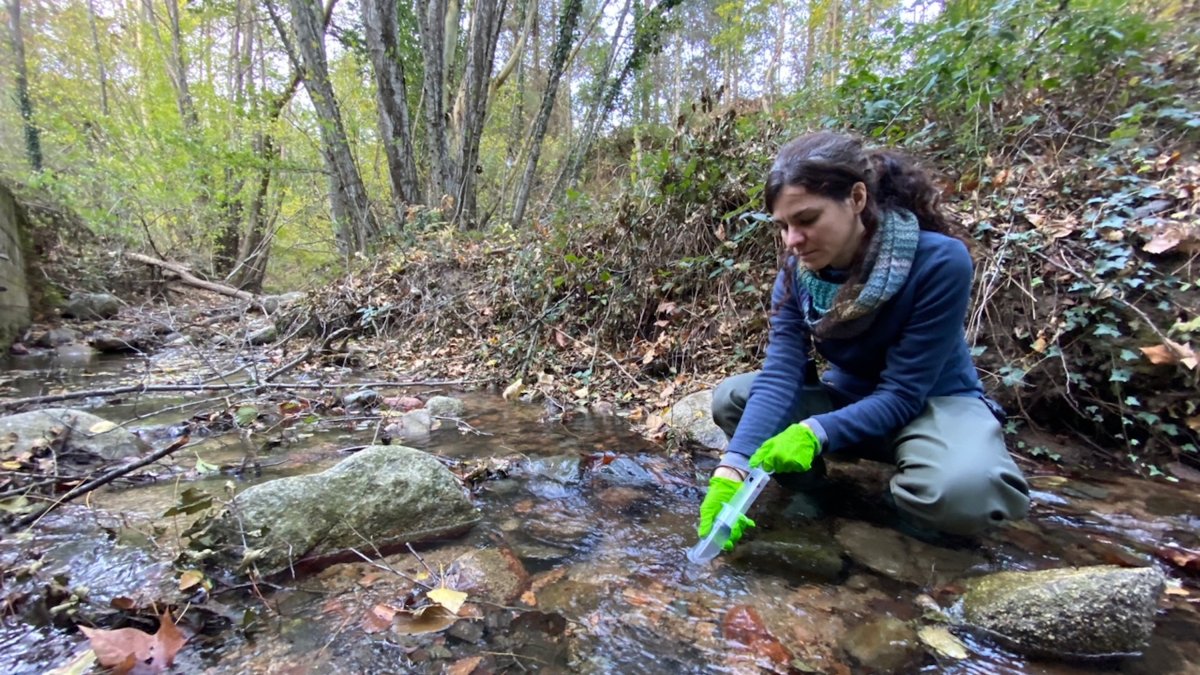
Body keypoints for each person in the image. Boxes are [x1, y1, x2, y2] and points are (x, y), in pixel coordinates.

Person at [697, 131, 1031, 549]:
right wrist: (733, 467)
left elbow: (904, 393)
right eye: (783, 226)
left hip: (934, 403)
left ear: (856, 198)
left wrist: (816, 432)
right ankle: (816, 496)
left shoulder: (939, 261)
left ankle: (906, 511)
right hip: (851, 400)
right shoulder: (796, 276)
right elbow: (781, 374)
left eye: (807, 219)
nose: (792, 241)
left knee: (966, 492)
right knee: (735, 398)